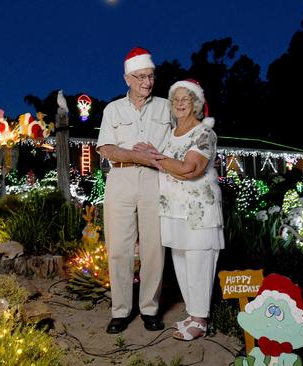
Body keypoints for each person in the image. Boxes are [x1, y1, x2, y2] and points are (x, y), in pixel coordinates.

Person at [134, 79, 224, 341]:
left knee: (199, 261)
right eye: (176, 99)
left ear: (196, 103)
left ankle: (201, 319)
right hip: (172, 209)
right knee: (182, 262)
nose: (180, 104)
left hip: (198, 211)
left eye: (186, 99)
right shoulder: (170, 133)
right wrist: (154, 155)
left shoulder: (204, 134)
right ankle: (192, 313)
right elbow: (167, 164)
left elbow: (189, 169)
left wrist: (156, 158)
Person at [96, 47, 173, 334]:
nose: (147, 82)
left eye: (151, 76)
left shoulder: (166, 107)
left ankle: (150, 309)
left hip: (155, 179)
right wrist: (137, 156)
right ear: (127, 78)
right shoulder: (113, 109)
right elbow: (106, 149)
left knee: (154, 247)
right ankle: (120, 311)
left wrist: (161, 158)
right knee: (119, 248)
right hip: (121, 180)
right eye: (140, 77)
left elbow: (182, 139)